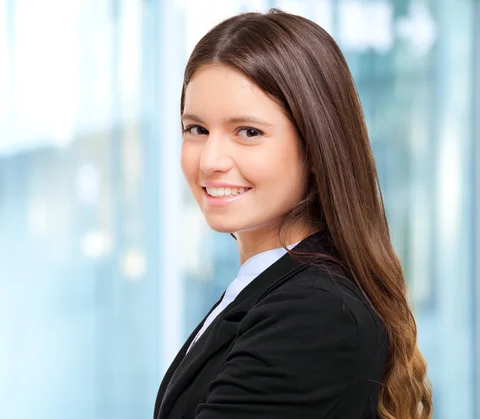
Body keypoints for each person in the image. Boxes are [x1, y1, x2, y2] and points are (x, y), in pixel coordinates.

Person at [153, 8, 433, 419]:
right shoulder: (269, 286)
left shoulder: (315, 314)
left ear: (317, 147)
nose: (210, 160)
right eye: (196, 129)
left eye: (248, 132)